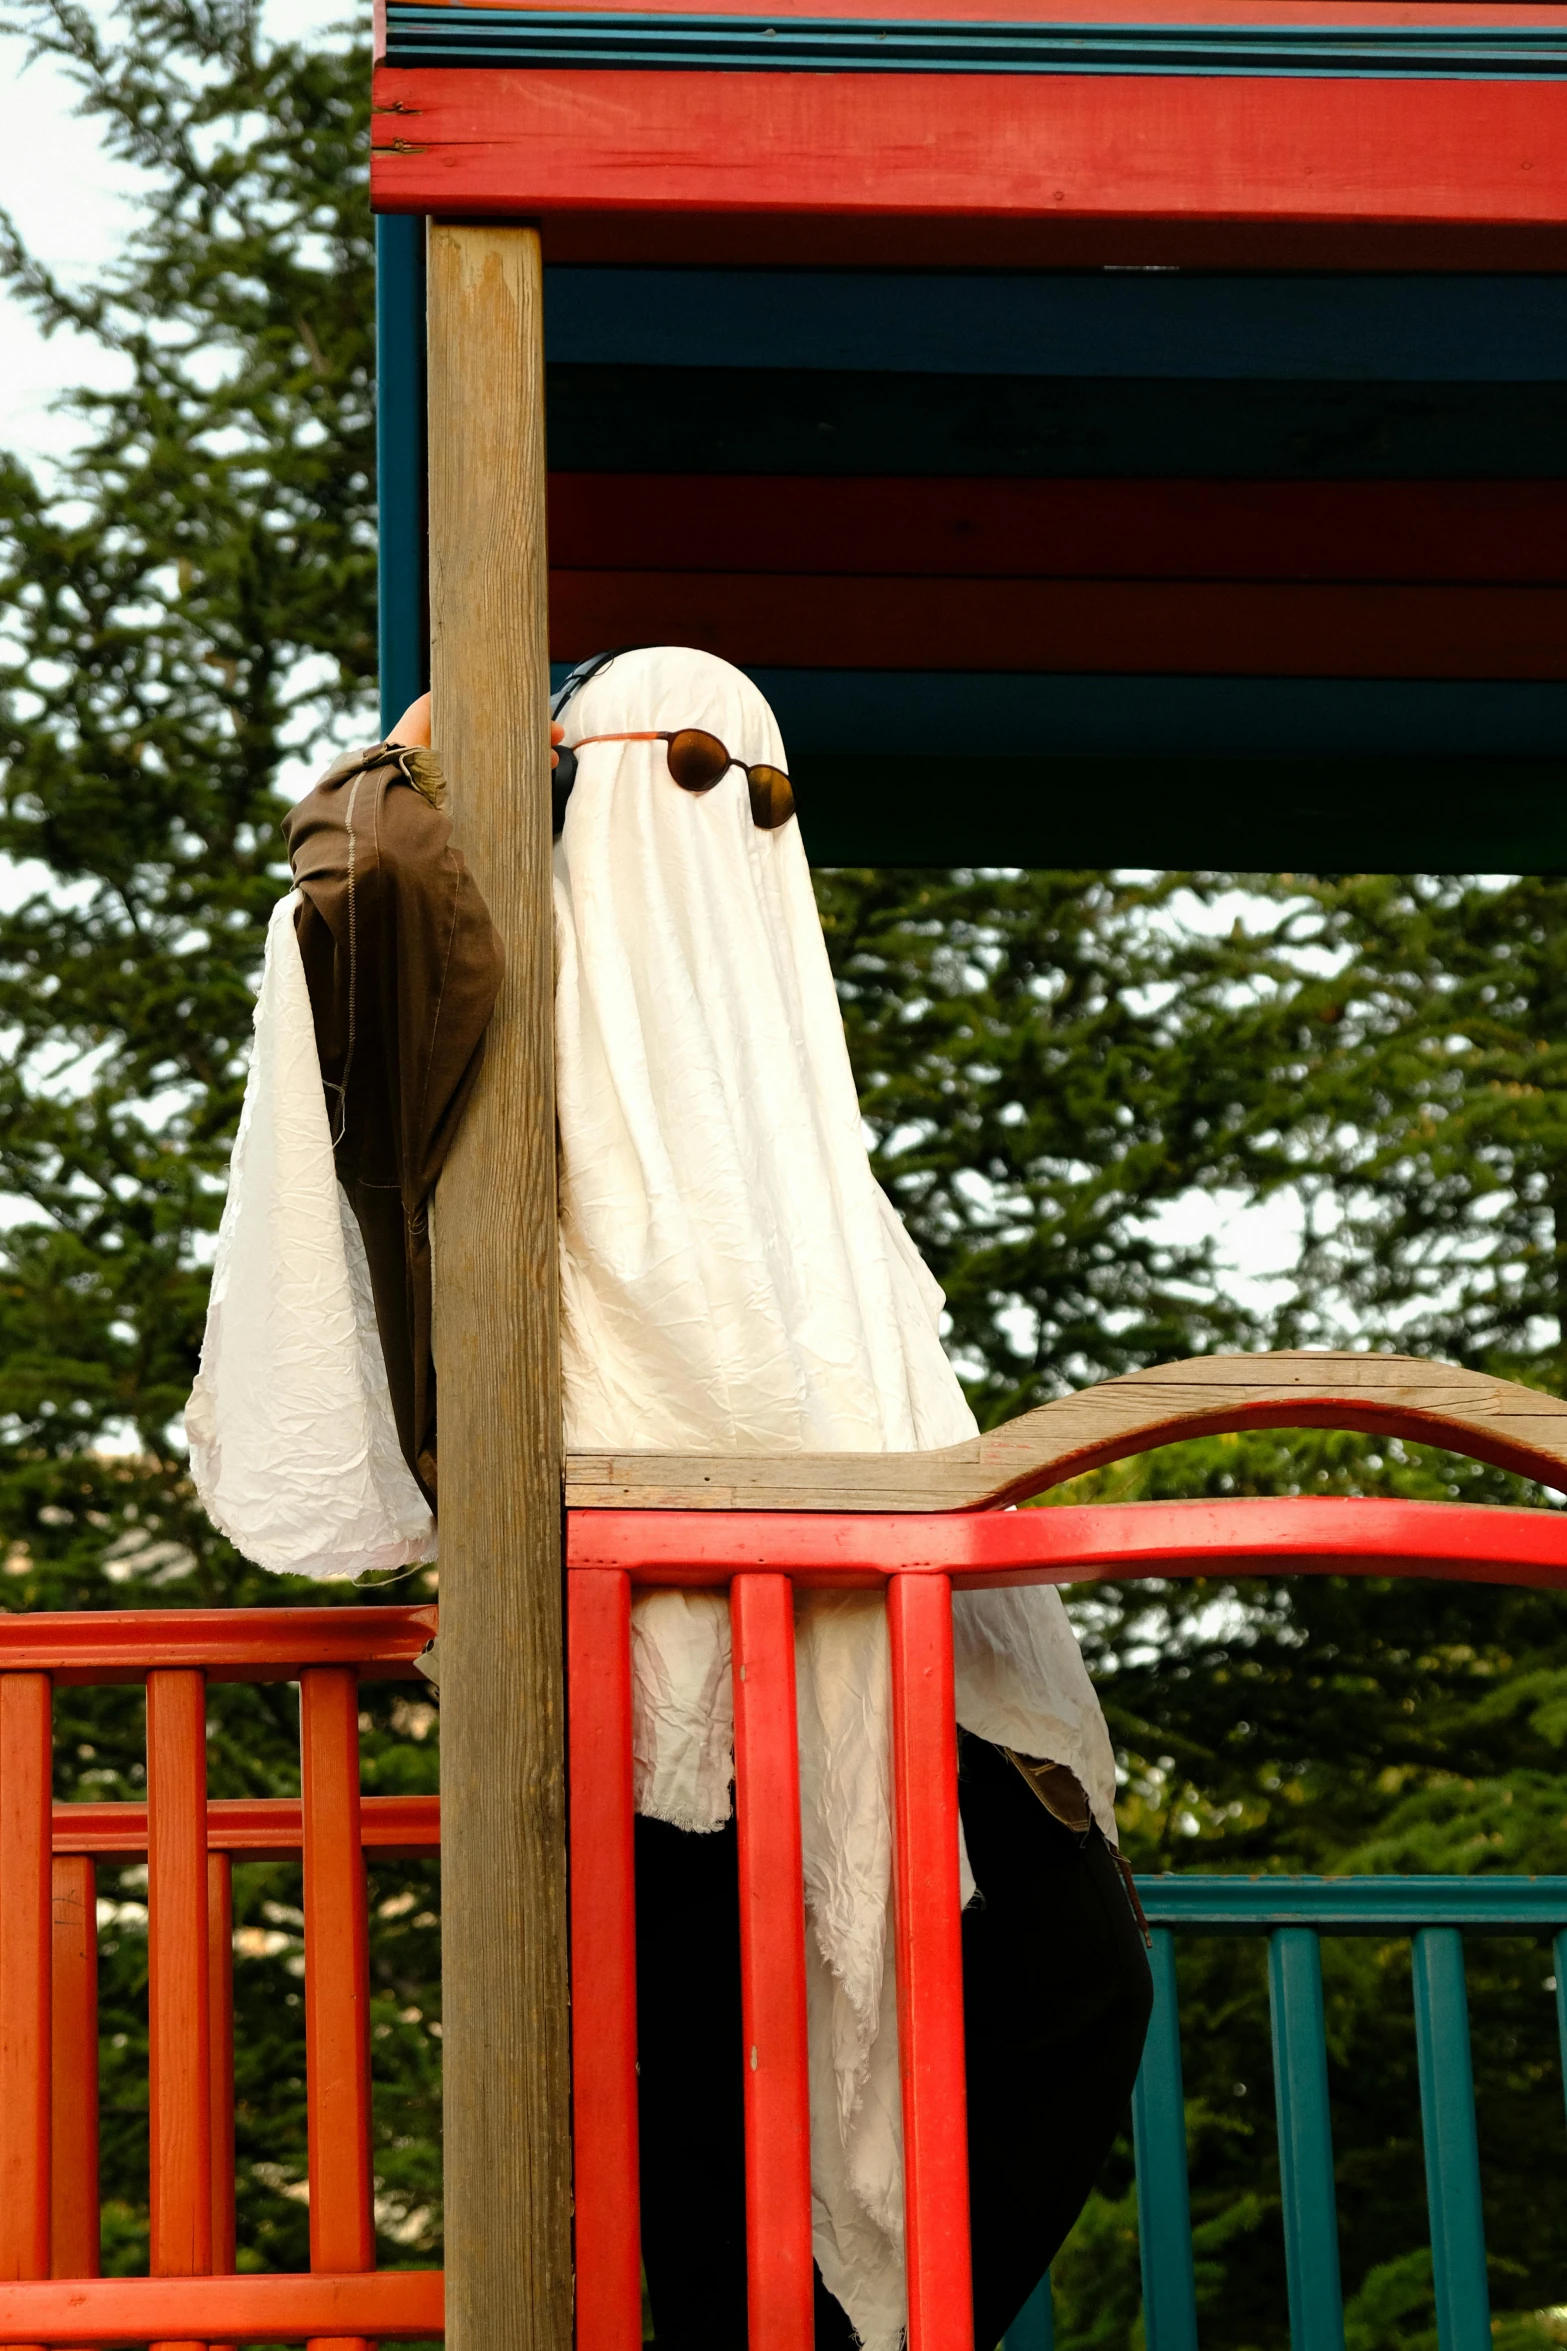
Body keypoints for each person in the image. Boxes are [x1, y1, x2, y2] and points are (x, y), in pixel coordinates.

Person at [189, 647, 1150, 2351]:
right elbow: (359, 881)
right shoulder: (500, 1038)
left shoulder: (794, 1104)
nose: (729, 825)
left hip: (888, 1647)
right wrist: (427, 754)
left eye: (762, 792)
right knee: (696, 2104)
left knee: (1062, 1987)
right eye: (687, 772)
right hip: (639, 1666)